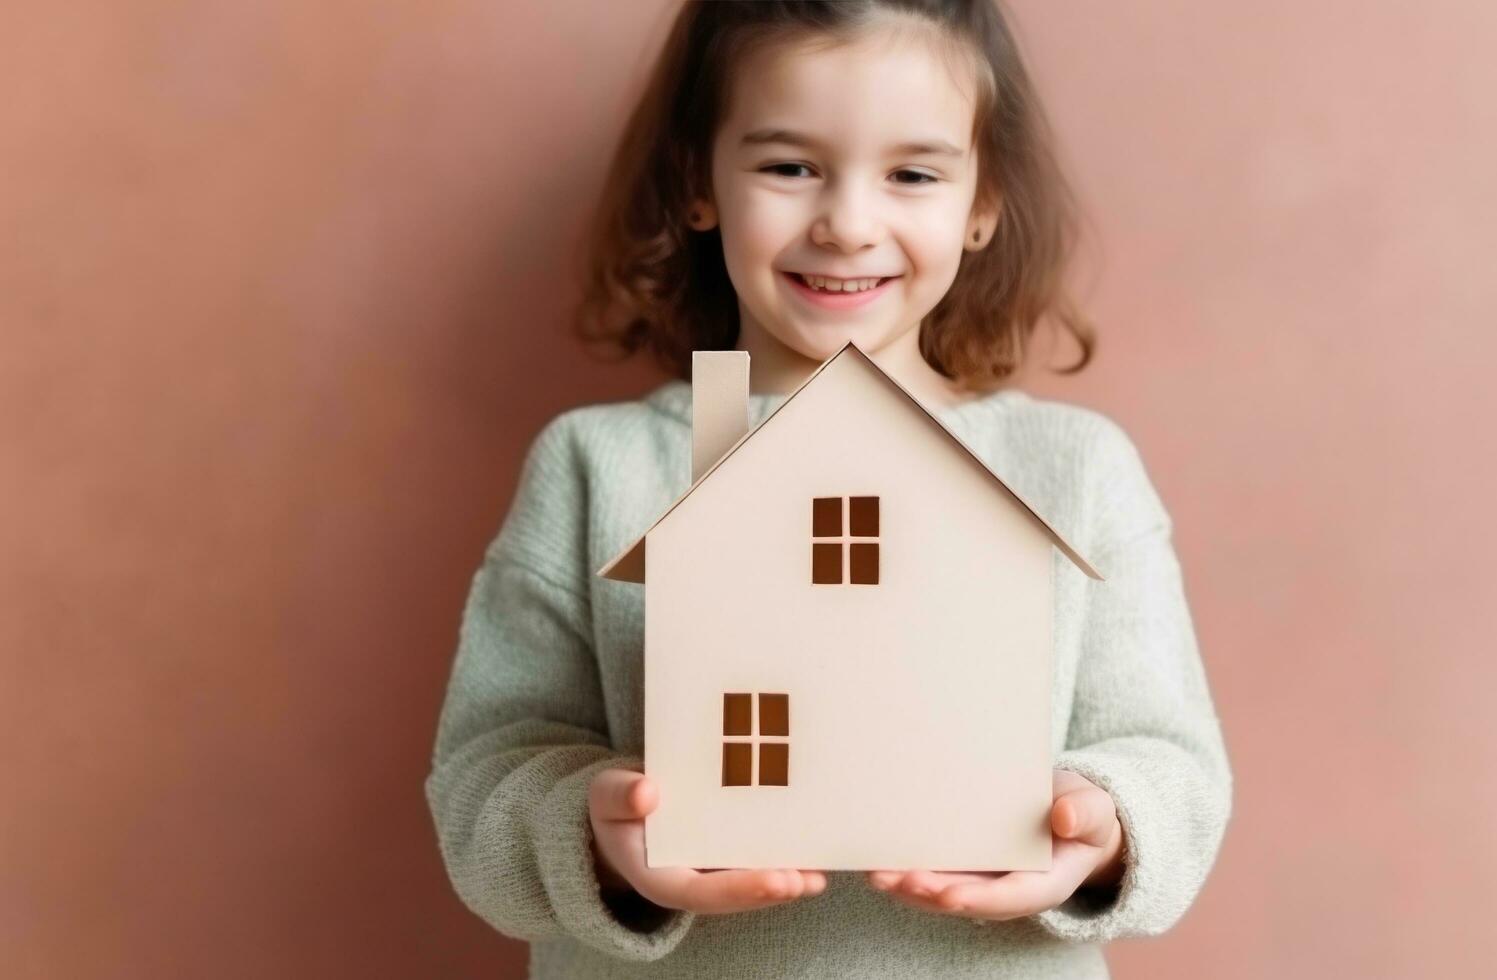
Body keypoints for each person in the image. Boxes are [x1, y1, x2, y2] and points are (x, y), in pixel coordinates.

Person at [424, 1, 1232, 977]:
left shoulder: (1076, 469)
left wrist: (1099, 823)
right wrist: (591, 832)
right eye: (790, 166)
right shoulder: (598, 465)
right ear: (698, 181)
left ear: (983, 203)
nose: (849, 223)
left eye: (912, 174)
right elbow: (482, 781)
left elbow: (1175, 766)